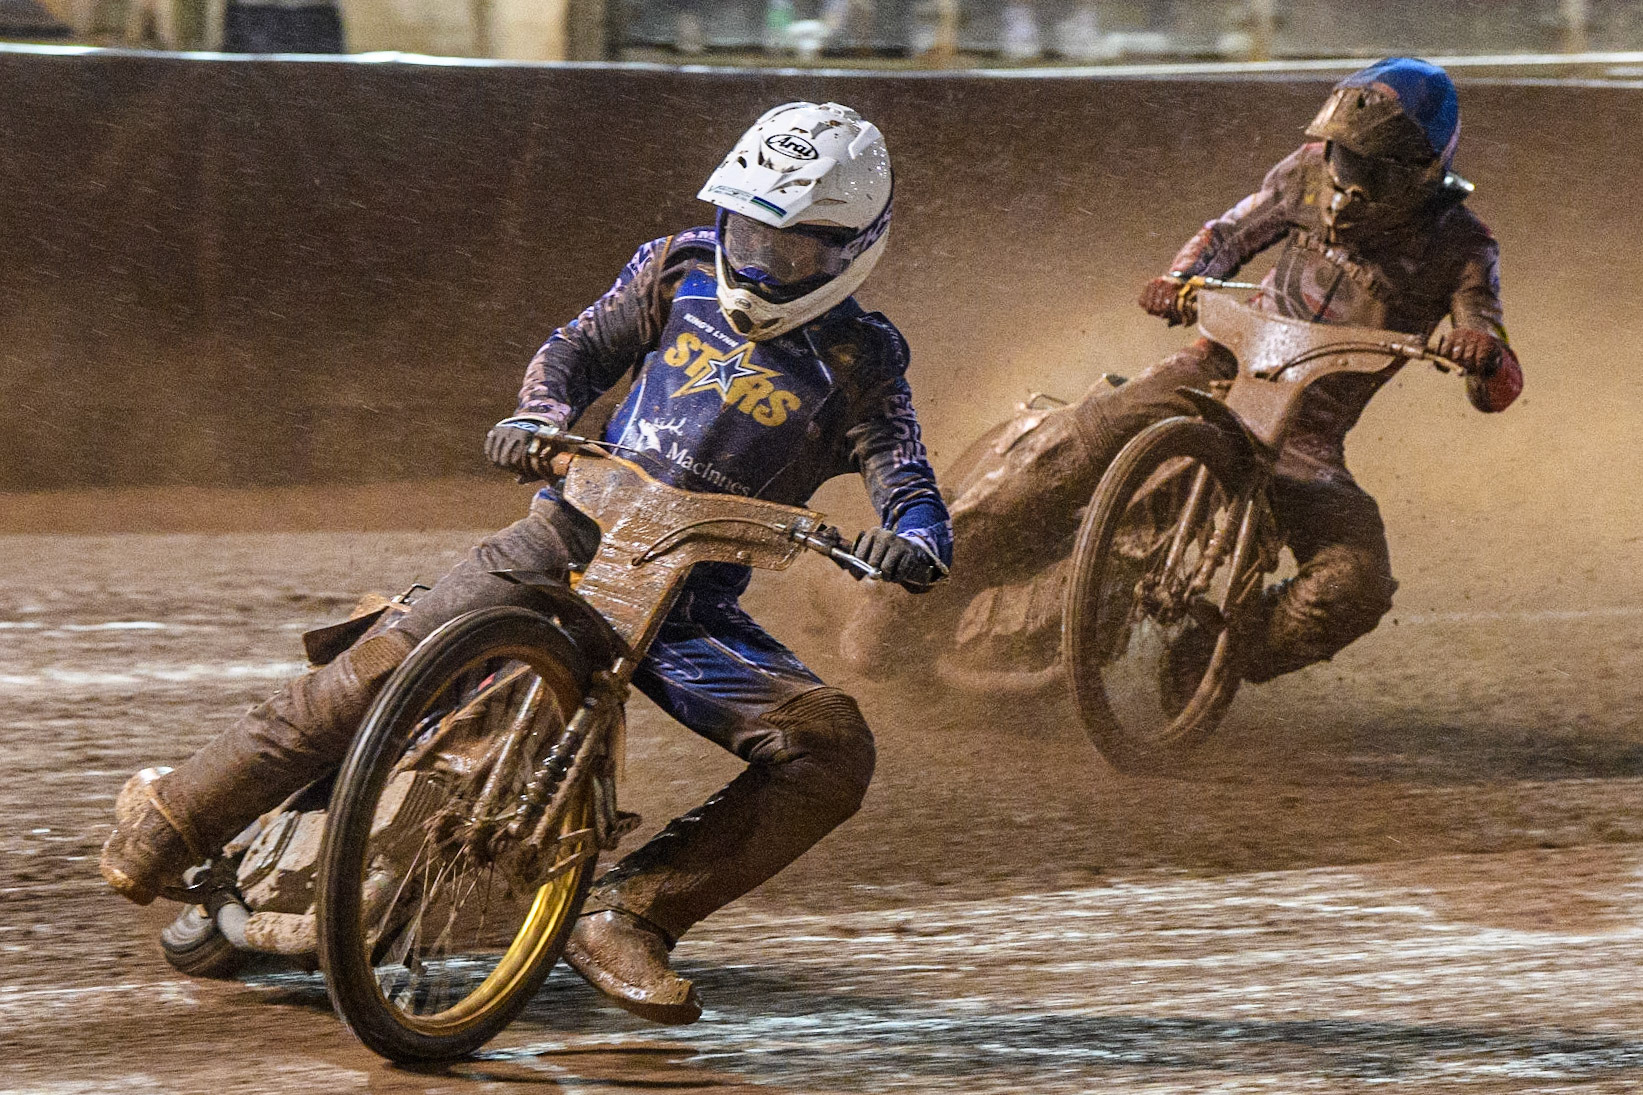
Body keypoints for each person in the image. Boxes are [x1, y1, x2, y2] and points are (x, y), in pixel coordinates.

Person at [99, 101, 950, 1025]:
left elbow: (903, 469)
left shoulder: (862, 357)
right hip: (565, 537)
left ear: (855, 247)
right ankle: (175, 817)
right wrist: (540, 415)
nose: (762, 262)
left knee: (829, 750)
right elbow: (577, 348)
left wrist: (911, 540)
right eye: (748, 231)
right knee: (379, 663)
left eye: (794, 251)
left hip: (687, 607)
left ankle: (627, 913)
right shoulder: (675, 269)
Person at [948, 57, 1522, 683]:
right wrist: (1179, 279)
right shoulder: (1305, 172)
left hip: (1306, 434)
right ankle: (915, 584)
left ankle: (1212, 660)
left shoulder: (1463, 245)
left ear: (1421, 171)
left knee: (1355, 583)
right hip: (1218, 366)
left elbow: (1494, 369)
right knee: (1082, 438)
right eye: (1343, 158)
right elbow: (1227, 231)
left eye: (1370, 168)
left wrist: (1481, 353)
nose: (1347, 181)